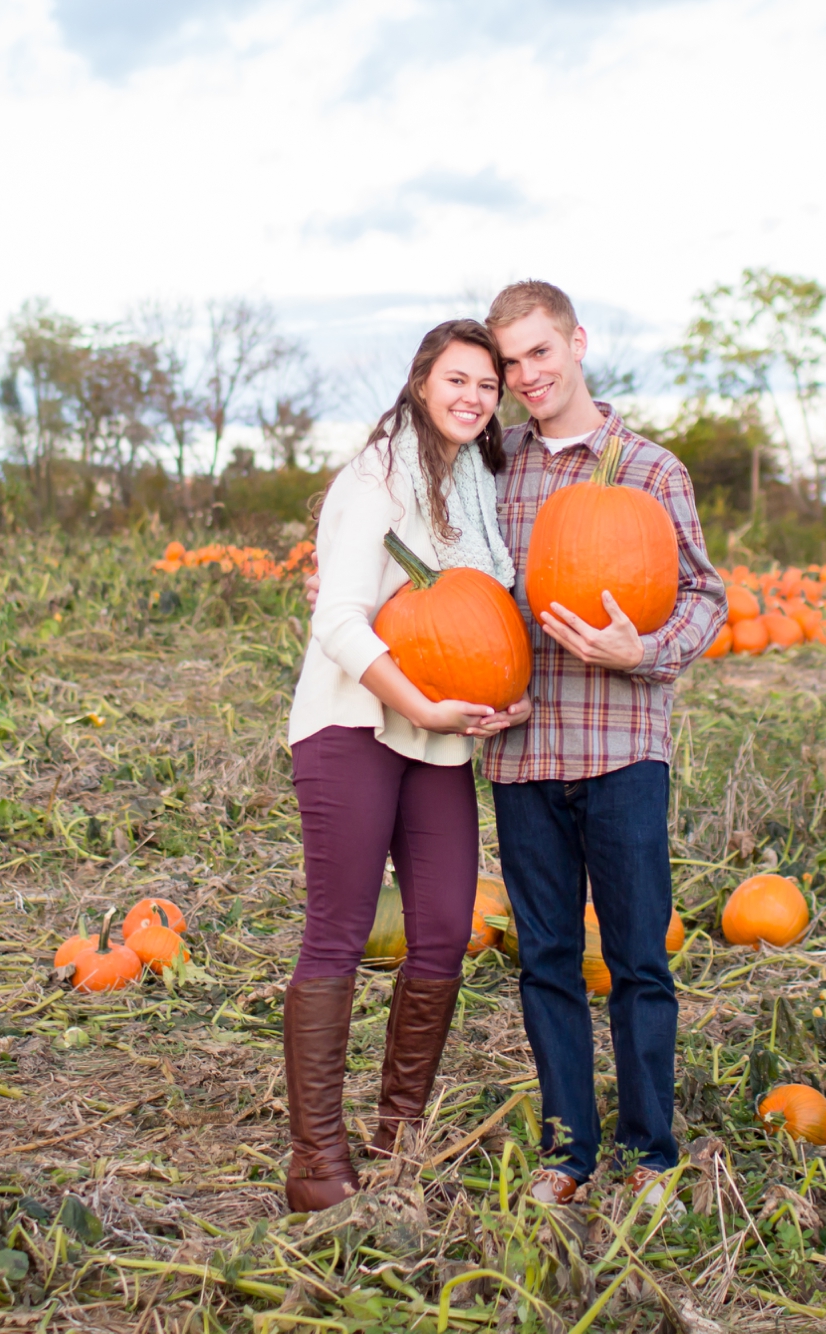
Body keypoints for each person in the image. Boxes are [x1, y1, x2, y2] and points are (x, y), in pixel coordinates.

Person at [481, 280, 725, 1206]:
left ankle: (651, 1148)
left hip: (622, 745)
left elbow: (706, 595)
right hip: (523, 749)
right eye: (509, 362)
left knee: (636, 958)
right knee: (544, 958)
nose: (525, 376)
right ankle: (566, 1151)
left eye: (539, 352)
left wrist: (646, 649)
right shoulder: (492, 471)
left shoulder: (650, 472)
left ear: (577, 342)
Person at [282, 319, 532, 1212]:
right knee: (340, 934)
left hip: (437, 741)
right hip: (354, 726)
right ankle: (317, 1160)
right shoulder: (378, 477)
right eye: (457, 379)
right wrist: (420, 702)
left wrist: (510, 701)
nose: (473, 397)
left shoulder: (475, 484)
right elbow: (340, 618)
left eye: (486, 386)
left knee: (439, 933)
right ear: (423, 380)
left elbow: (482, 623)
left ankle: (399, 1136)